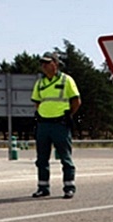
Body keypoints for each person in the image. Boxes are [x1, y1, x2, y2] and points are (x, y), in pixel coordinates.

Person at [30, 51, 81, 199]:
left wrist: (68, 115)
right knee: (41, 159)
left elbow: (76, 101)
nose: (44, 66)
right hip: (43, 124)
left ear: (56, 64)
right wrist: (41, 114)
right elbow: (37, 102)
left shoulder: (66, 80)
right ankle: (43, 187)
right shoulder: (39, 83)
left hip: (60, 123)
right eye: (42, 63)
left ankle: (69, 186)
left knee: (65, 158)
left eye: (47, 63)